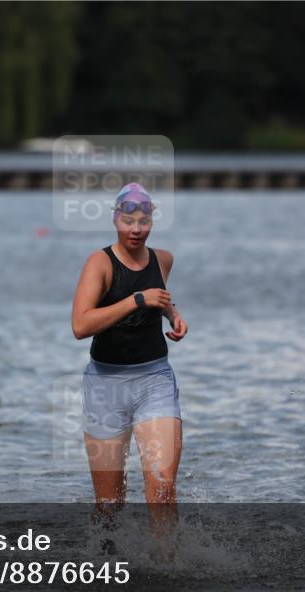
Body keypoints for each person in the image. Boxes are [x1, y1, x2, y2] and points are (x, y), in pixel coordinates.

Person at [71, 183, 188, 534]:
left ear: (152, 219)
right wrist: (136, 300)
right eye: (128, 220)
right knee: (110, 505)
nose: (136, 229)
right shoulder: (100, 263)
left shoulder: (163, 259)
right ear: (115, 219)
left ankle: (167, 573)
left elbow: (161, 297)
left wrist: (174, 316)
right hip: (105, 386)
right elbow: (80, 325)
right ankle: (106, 572)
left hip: (154, 381)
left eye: (144, 219)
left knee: (163, 485)